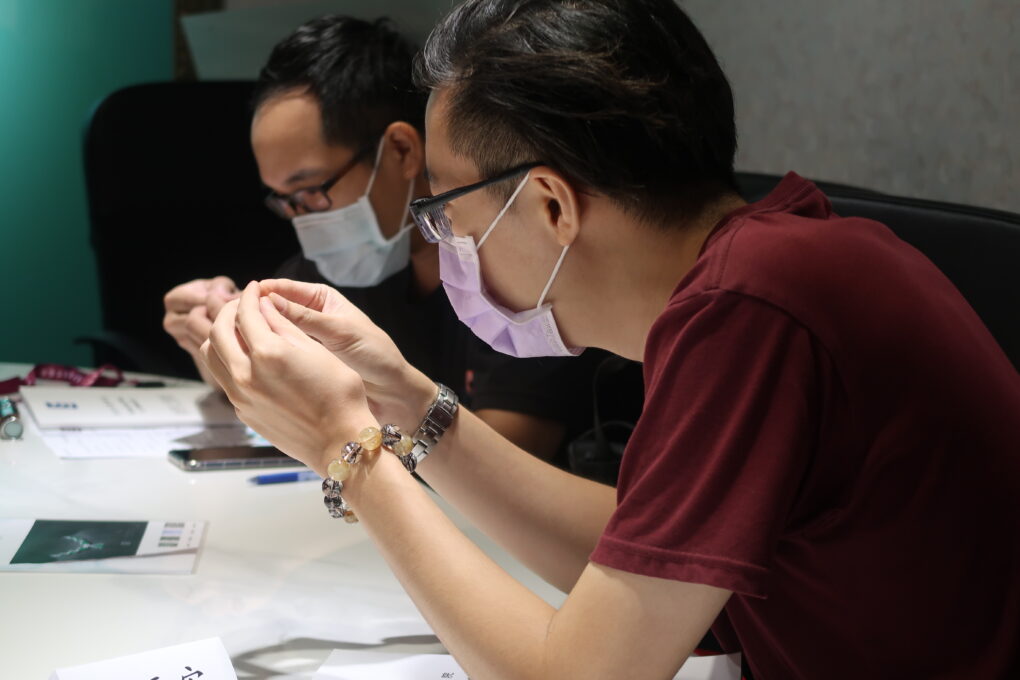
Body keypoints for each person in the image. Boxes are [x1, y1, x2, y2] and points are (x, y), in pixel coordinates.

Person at [198, 1, 1020, 678]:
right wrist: (402, 399)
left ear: (551, 205)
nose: (444, 241)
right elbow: (636, 551)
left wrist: (348, 448)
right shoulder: (770, 263)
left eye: (445, 210)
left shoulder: (752, 313)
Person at [161, 15, 624, 463]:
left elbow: (511, 466)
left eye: (311, 191)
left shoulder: (513, 271)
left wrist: (337, 431)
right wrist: (220, 341)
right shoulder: (336, 267)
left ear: (403, 149)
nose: (304, 221)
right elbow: (272, 384)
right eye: (285, 201)